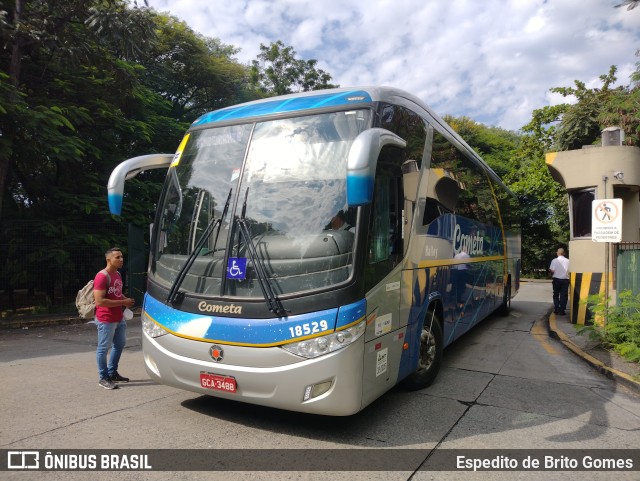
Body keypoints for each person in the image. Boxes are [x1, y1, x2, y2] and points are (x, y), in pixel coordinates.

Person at [94, 247, 135, 390]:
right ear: (108, 259)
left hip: (119, 317)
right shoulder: (102, 276)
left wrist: (125, 299)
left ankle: (112, 373)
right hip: (106, 319)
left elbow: (117, 293)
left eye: (122, 256)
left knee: (120, 344)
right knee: (103, 348)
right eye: (117, 257)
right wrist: (123, 302)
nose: (121, 259)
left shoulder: (117, 274)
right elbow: (99, 301)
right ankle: (103, 377)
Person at [549, 247, 570, 315]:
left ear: (558, 253)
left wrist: (550, 275)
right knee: (563, 295)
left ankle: (556, 309)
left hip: (556, 280)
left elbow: (552, 270)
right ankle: (562, 310)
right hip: (565, 280)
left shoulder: (554, 260)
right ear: (563, 253)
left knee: (556, 294)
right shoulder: (568, 261)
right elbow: (570, 271)